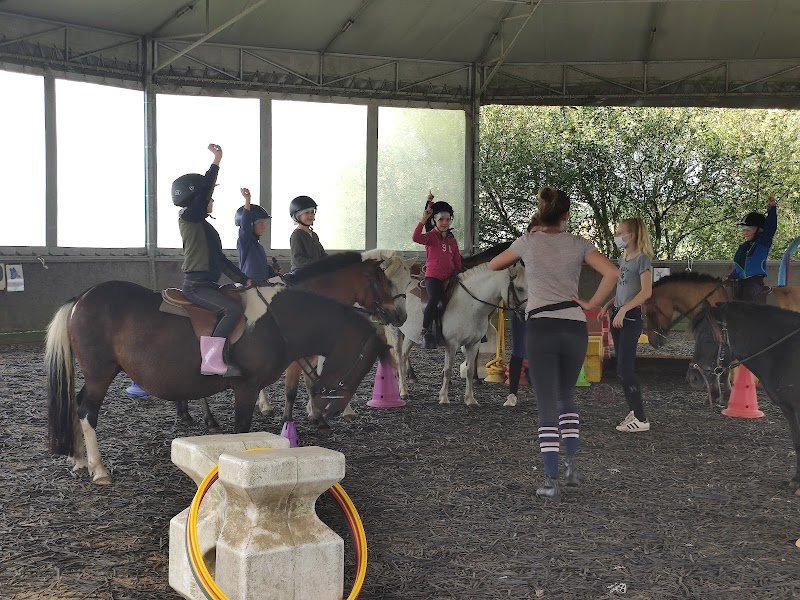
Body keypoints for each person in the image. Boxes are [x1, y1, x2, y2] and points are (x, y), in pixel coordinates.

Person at [489, 187, 618, 500]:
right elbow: (612, 272)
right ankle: (573, 466)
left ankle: (551, 480)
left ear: (541, 212)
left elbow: (495, 264)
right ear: (567, 215)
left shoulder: (528, 242)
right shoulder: (580, 244)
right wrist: (592, 304)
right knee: (566, 396)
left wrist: (529, 237)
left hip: (541, 326)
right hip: (574, 326)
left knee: (546, 402)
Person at [173, 143, 252, 377]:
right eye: (209, 197)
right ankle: (211, 360)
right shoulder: (190, 218)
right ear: (198, 198)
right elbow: (206, 190)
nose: (212, 201)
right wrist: (217, 160)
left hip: (208, 283)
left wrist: (244, 279)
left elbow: (220, 260)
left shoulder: (205, 227)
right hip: (196, 285)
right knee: (231, 310)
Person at [599, 218, 653, 433]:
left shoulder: (643, 260)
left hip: (630, 318)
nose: (617, 236)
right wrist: (610, 304)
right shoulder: (625, 258)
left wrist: (623, 309)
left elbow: (646, 292)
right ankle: (634, 410)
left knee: (625, 368)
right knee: (621, 369)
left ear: (632, 235)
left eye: (621, 232)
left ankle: (641, 418)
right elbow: (624, 288)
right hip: (618, 315)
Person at [412, 192, 463, 349]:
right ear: (434, 220)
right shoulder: (430, 237)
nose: (445, 222)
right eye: (441, 219)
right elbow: (415, 237)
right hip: (433, 277)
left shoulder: (451, 239)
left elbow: (457, 259)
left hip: (450, 277)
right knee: (435, 299)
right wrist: (423, 220)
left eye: (448, 219)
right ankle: (425, 330)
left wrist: (460, 272)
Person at [506, 213, 542, 407]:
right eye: (533, 233)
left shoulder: (548, 259)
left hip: (542, 310)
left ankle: (542, 392)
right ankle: (512, 393)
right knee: (518, 351)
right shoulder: (518, 260)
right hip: (522, 311)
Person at [729, 195, 778, 302]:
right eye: (743, 229)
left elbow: (771, 227)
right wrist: (732, 275)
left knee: (746, 301)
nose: (744, 233)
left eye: (748, 229)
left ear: (759, 230)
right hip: (739, 281)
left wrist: (772, 207)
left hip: (754, 283)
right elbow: (740, 266)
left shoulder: (763, 243)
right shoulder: (743, 247)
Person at [236, 187, 279, 285]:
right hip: (249, 287)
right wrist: (248, 200)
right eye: (260, 223)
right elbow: (245, 225)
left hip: (261, 286)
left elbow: (263, 268)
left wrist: (274, 273)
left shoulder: (259, 247)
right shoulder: (244, 242)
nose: (264, 226)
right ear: (251, 225)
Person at [289, 195, 327, 271]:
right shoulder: (297, 235)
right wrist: (318, 264)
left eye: (312, 212)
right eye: (306, 213)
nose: (310, 215)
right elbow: (298, 259)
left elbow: (322, 254)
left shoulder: (314, 235)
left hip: (314, 272)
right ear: (298, 216)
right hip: (302, 275)